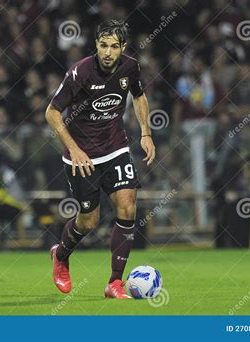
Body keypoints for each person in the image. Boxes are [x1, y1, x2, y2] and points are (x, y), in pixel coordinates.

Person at [45, 20, 155, 299]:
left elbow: (139, 96)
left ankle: (114, 282)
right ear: (96, 45)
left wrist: (146, 132)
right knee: (88, 221)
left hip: (116, 147)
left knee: (128, 206)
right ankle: (61, 254)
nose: (108, 52)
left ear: (123, 48)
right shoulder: (79, 72)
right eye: (103, 45)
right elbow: (52, 113)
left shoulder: (131, 66)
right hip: (82, 157)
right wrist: (74, 149)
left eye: (114, 46)